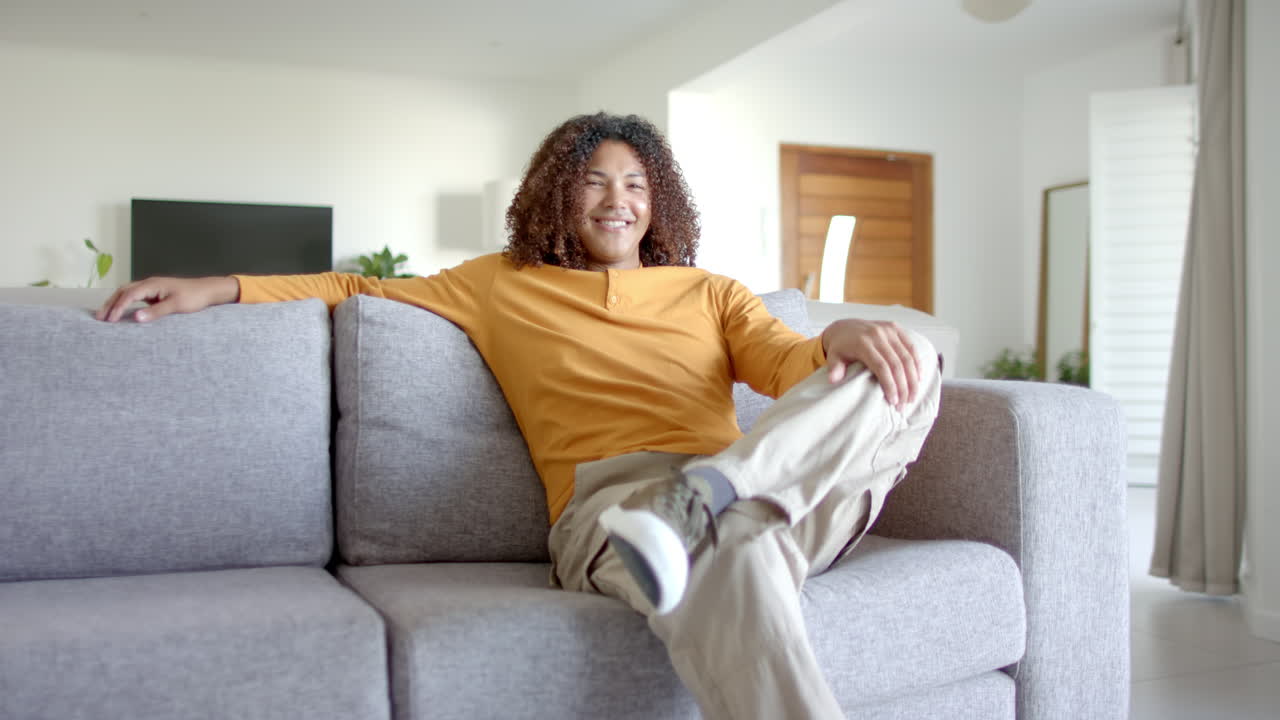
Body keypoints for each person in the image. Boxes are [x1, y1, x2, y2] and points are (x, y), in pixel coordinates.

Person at [97, 112, 941, 720]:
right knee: (739, 552)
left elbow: (794, 366)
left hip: (765, 488)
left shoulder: (710, 291)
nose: (621, 200)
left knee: (916, 363)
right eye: (597, 181)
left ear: (661, 203)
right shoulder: (501, 281)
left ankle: (719, 492)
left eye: (639, 184)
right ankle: (704, 513)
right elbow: (358, 288)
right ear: (555, 194)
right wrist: (220, 285)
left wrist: (845, 333)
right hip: (624, 508)